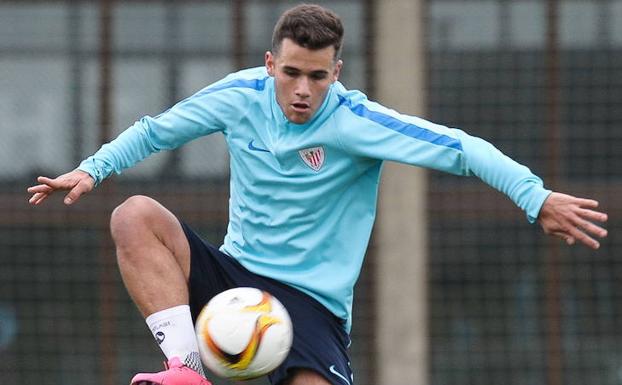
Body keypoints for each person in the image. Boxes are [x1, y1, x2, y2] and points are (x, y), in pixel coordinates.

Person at [27, 4, 608, 385]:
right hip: (235, 277)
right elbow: (157, 129)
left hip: (313, 307)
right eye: (292, 73)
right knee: (135, 215)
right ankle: (185, 368)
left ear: (337, 71)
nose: (302, 90)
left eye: (318, 77)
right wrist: (92, 169)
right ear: (270, 63)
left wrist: (537, 198)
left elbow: (460, 147)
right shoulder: (239, 96)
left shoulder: (359, 122)